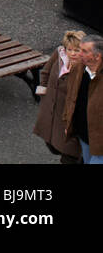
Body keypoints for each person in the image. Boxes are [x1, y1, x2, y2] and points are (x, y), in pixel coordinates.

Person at [33, 30, 85, 162]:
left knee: (70, 154)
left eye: (77, 50)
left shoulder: (85, 69)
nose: (72, 53)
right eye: (70, 49)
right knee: (52, 145)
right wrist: (43, 92)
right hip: (51, 112)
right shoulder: (59, 54)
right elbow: (46, 72)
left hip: (69, 119)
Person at [63, 35, 103, 164]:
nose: (78, 54)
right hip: (84, 134)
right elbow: (71, 96)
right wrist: (67, 120)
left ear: (97, 56)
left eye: (84, 51)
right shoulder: (78, 68)